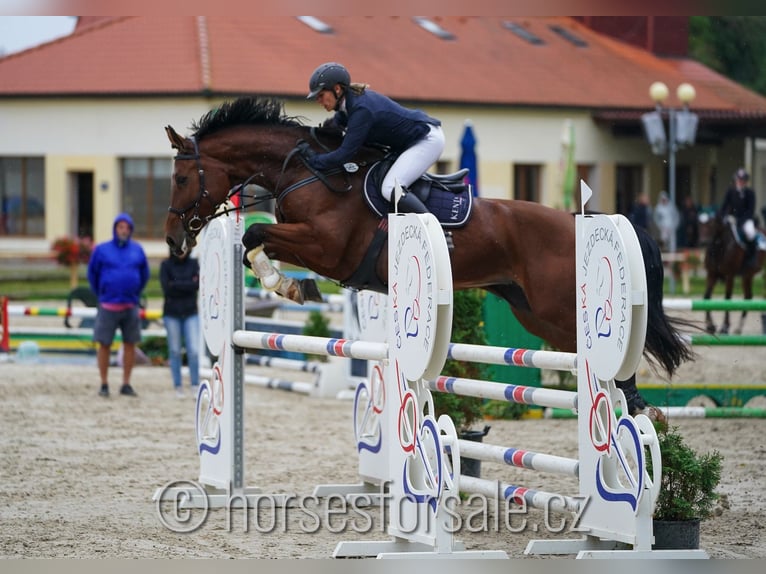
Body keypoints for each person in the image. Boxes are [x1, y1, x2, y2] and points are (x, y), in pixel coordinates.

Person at [304, 62, 445, 214]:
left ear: (337, 89)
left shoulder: (361, 110)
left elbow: (344, 154)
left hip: (427, 140)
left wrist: (314, 160)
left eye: (321, 95)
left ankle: (432, 228)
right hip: (410, 141)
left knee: (390, 188)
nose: (319, 101)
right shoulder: (347, 108)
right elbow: (332, 130)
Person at [87, 213, 150, 398]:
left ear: (130, 230)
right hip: (108, 305)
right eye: (120, 227)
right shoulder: (102, 250)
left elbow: (144, 274)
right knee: (104, 344)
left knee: (130, 344)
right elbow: (92, 274)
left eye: (126, 227)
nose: (123, 230)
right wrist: (103, 292)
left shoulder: (137, 250)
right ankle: (104, 383)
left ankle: (126, 383)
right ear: (115, 229)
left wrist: (135, 291)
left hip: (130, 305)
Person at [160, 248, 200, 398]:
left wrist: (176, 284)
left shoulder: (194, 263)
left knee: (194, 351)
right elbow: (166, 289)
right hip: (172, 314)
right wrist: (188, 284)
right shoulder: (165, 265)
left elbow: (196, 286)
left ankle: (195, 383)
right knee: (175, 351)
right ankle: (178, 385)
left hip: (190, 312)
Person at [718, 168, 757, 262]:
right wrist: (724, 216)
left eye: (743, 180)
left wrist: (740, 221)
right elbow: (724, 206)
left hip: (745, 220)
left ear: (746, 181)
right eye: (739, 179)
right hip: (731, 218)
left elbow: (750, 211)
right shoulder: (730, 192)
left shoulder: (750, 193)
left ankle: (751, 257)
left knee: (750, 233)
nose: (740, 182)